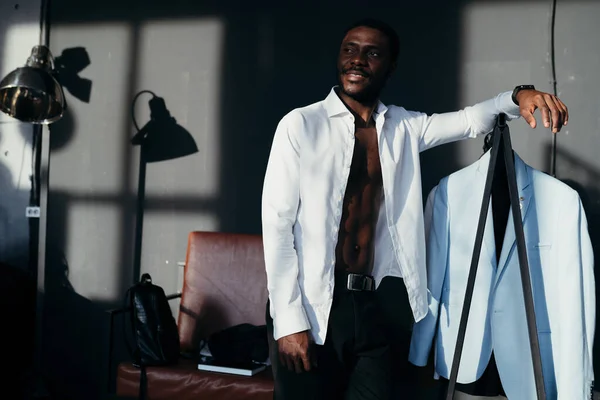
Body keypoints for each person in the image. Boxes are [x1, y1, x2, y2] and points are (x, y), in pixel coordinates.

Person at [261, 17, 568, 400]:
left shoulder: (404, 128)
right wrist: (288, 322)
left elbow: (471, 120)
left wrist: (518, 95)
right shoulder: (301, 124)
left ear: (390, 65)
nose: (357, 60)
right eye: (349, 49)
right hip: (312, 304)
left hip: (374, 305)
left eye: (372, 53)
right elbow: (277, 226)